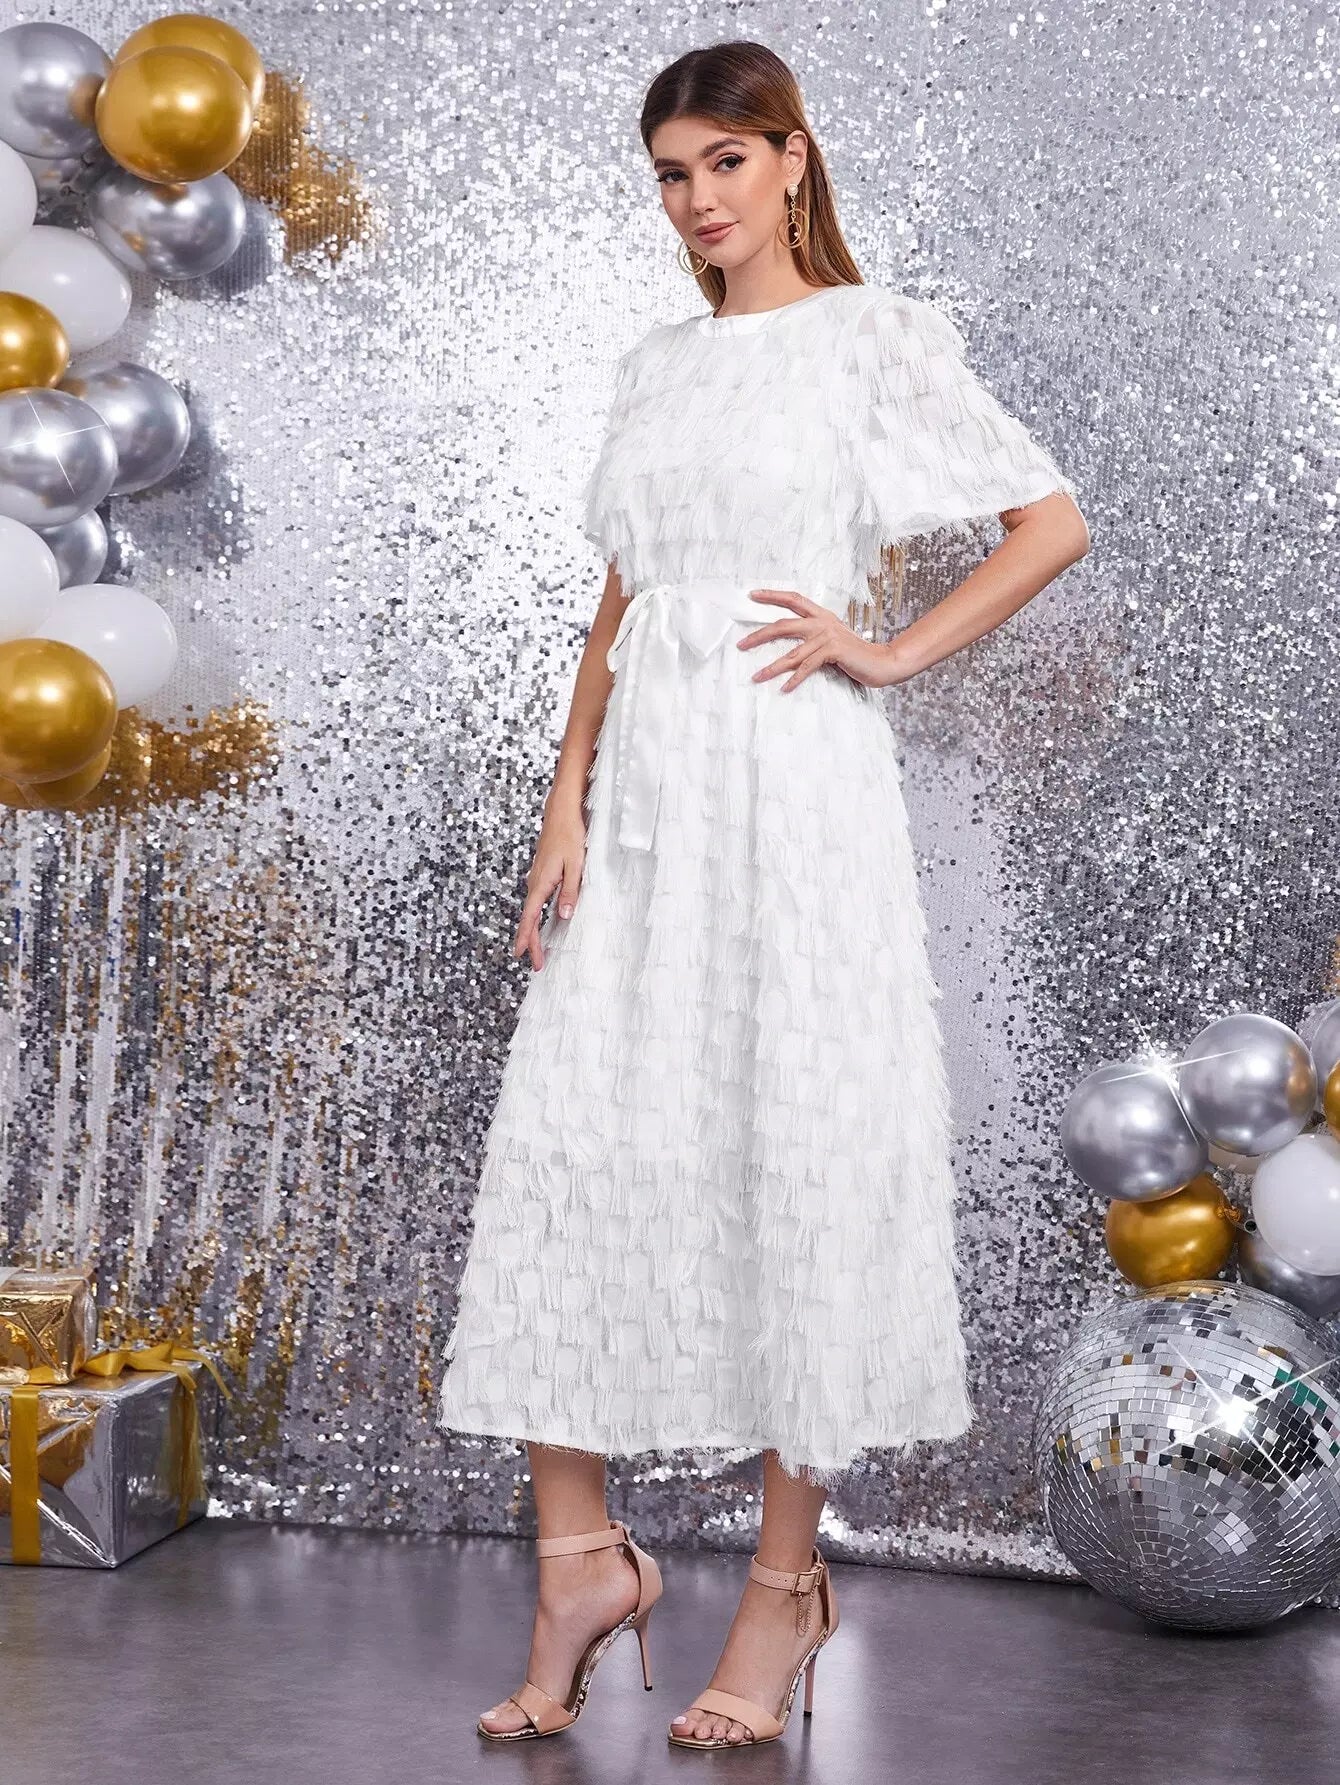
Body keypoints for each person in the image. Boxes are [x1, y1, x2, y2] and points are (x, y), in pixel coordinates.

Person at [438, 37, 1089, 1751]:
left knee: (799, 1145)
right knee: (578, 1141)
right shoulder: (658, 365)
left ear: (793, 160)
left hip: (797, 800)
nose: (698, 199)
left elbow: (1049, 523)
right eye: (671, 173)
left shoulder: (872, 340)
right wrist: (564, 797)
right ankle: (579, 1562)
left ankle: (783, 1592)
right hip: (649, 802)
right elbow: (625, 596)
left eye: (725, 162)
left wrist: (888, 651)